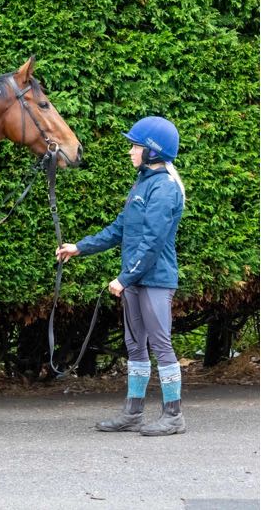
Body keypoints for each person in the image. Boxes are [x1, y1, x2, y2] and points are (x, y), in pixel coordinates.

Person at [56, 116, 186, 436]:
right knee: (135, 345)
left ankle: (173, 415)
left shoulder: (165, 188)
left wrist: (124, 279)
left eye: (135, 146)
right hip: (136, 280)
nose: (130, 151)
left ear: (153, 151)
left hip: (155, 281)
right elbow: (119, 229)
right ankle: (133, 413)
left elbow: (153, 242)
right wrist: (80, 247)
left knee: (160, 344)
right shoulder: (142, 183)